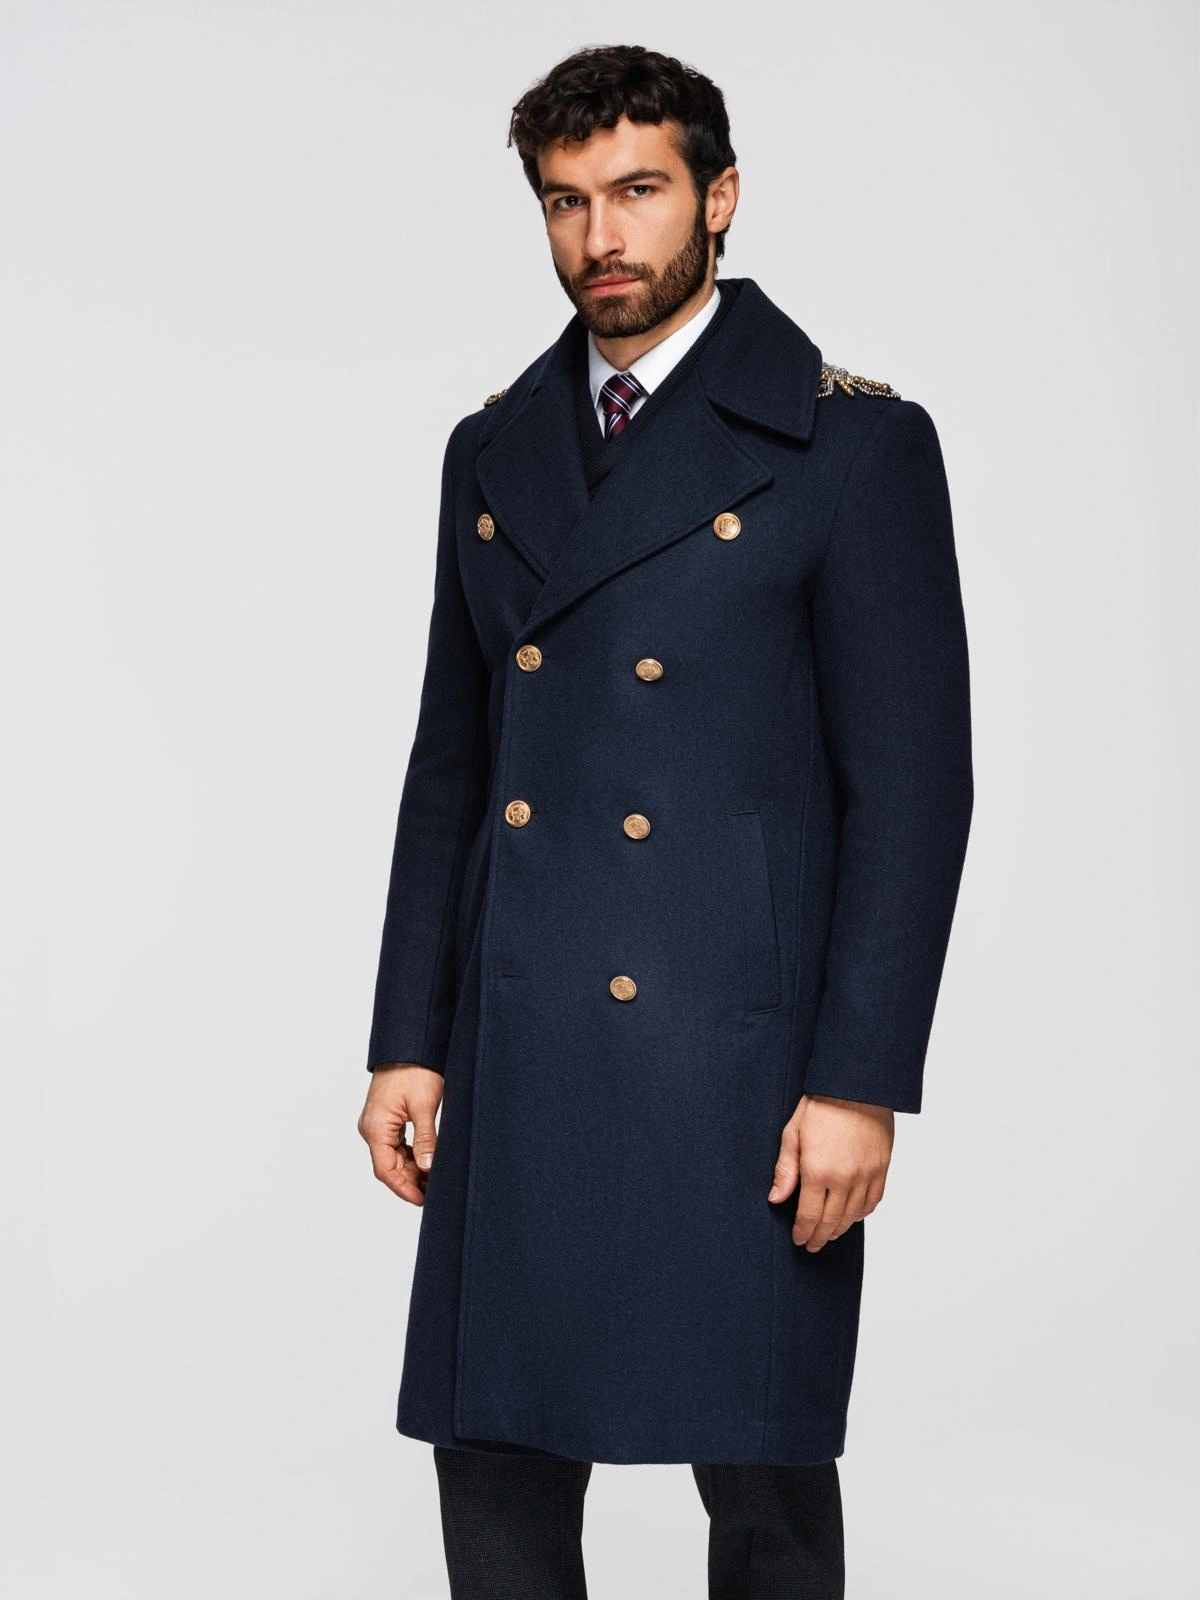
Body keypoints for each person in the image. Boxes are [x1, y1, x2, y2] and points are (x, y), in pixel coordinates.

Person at [357, 42, 973, 1599]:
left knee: (761, 1470)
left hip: (740, 1056)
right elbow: (453, 766)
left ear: (721, 196)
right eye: (567, 203)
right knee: (494, 1460)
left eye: (638, 191)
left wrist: (861, 1079)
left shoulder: (853, 445)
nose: (602, 238)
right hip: (521, 1037)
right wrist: (408, 1037)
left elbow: (912, 792)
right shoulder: (491, 448)